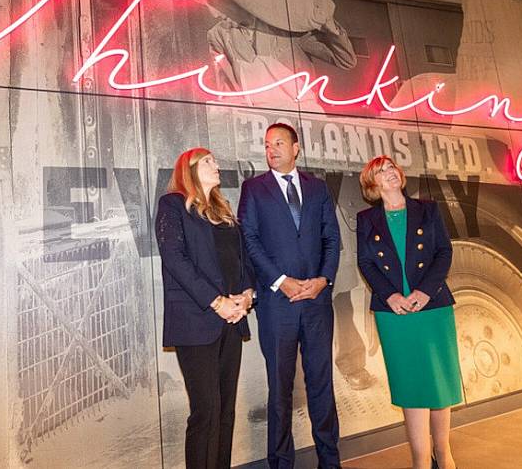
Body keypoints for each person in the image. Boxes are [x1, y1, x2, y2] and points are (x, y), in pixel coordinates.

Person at [238, 123, 342, 469]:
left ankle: (330, 460)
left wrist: (323, 280)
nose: (272, 150)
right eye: (267, 145)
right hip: (277, 306)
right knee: (280, 391)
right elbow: (249, 241)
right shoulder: (253, 189)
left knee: (321, 386)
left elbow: (331, 238)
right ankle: (281, 463)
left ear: (296, 148)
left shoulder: (318, 188)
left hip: (316, 303)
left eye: (279, 143)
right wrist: (280, 281)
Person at [355, 156, 462, 469]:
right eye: (380, 171)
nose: (389, 173)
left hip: (432, 307)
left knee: (439, 381)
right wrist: (389, 296)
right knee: (411, 384)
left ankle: (443, 453)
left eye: (391, 168)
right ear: (372, 185)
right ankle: (419, 460)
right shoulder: (366, 219)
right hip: (394, 314)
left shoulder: (427, 209)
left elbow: (444, 252)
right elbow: (366, 263)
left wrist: (424, 291)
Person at [156, 148, 255, 469]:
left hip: (232, 319)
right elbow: (175, 260)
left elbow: (242, 261)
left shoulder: (224, 212)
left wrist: (247, 294)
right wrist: (217, 302)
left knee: (226, 411)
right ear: (189, 169)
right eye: (209, 161)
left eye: (215, 160)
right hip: (196, 322)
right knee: (206, 412)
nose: (217, 165)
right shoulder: (172, 205)